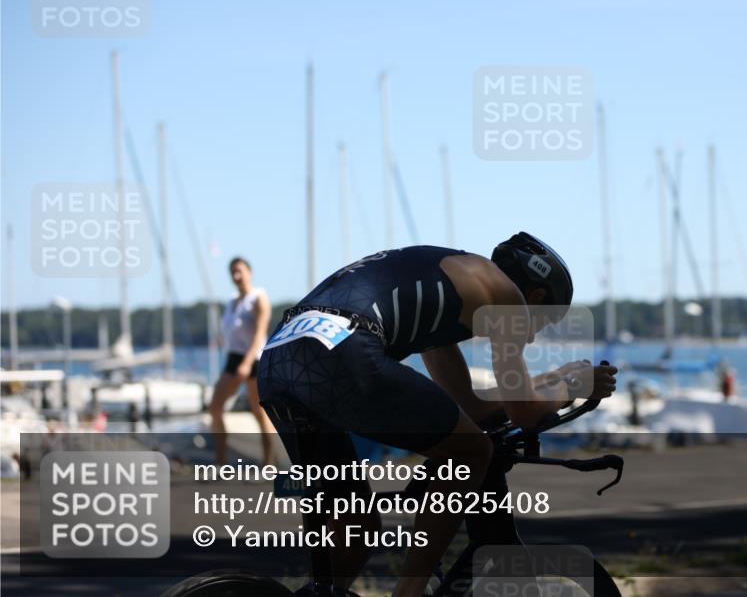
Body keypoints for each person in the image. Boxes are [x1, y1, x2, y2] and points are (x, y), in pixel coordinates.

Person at [258, 233, 618, 597]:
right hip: (340, 354)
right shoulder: (507, 295)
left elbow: (471, 406)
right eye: (543, 324)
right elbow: (523, 413)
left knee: (359, 532)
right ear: (536, 299)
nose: (532, 333)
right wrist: (573, 385)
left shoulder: (443, 296)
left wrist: (551, 379)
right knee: (473, 453)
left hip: (279, 359)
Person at [209, 256, 275, 466]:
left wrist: (247, 363)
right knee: (215, 407)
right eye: (233, 272)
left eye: (240, 271)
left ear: (250, 272)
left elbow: (259, 333)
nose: (236, 276)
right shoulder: (232, 301)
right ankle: (221, 462)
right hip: (233, 357)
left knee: (259, 411)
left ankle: (269, 463)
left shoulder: (258, 298)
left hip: (254, 358)